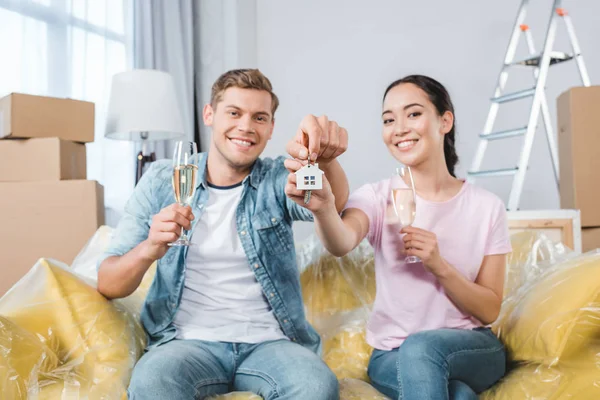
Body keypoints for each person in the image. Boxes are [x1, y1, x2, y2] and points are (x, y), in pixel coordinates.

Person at [97, 68, 349, 399]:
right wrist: (149, 248)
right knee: (151, 384)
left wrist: (325, 159)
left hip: (271, 344)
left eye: (259, 117)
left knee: (316, 386)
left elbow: (333, 201)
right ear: (209, 114)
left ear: (271, 128)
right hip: (185, 344)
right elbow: (107, 282)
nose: (246, 126)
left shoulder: (276, 177)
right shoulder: (162, 179)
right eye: (234, 113)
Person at [308, 75, 511, 400]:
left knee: (424, 346)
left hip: (471, 347)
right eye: (389, 119)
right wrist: (323, 209)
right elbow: (341, 242)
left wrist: (438, 265)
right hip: (392, 355)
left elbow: (489, 310)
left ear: (445, 121)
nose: (399, 127)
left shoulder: (487, 207)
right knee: (458, 395)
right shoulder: (376, 197)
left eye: (413, 114)